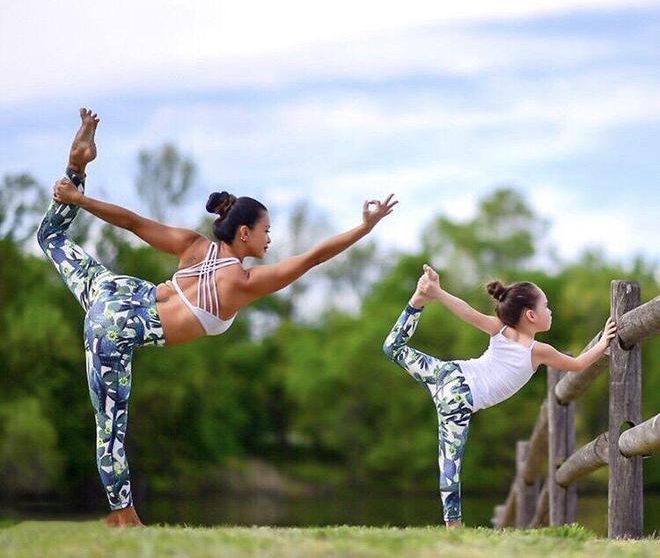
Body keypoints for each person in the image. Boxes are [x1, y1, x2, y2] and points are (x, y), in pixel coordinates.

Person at [38, 108, 398, 527]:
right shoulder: (242, 283)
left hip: (115, 291)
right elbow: (313, 257)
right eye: (266, 230)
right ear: (244, 232)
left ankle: (76, 168)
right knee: (110, 426)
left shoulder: (193, 246)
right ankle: (125, 517)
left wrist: (79, 197)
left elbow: (133, 223)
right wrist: (365, 229)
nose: (270, 238)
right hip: (116, 328)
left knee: (50, 237)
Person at [383, 264, 617, 528]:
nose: (550, 311)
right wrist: (603, 342)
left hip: (448, 374)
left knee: (393, 348)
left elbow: (466, 312)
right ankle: (453, 525)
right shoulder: (538, 350)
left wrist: (437, 293)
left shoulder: (501, 330)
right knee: (450, 464)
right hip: (460, 397)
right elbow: (577, 364)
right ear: (530, 314)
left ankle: (417, 300)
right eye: (546, 306)